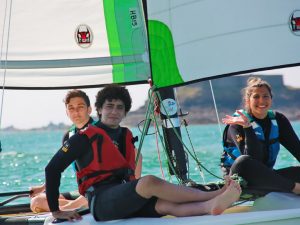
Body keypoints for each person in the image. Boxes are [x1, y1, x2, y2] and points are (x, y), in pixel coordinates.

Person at [45, 84, 241, 222]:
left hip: (124, 197)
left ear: (125, 112)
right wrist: (56, 210)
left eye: (119, 108)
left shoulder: (125, 136)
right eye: (109, 106)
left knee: (165, 205)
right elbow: (52, 168)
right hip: (101, 202)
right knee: (148, 183)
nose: (114, 111)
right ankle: (216, 193)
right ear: (98, 109)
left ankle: (211, 206)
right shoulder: (83, 137)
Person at [221, 77, 300, 194]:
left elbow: (297, 149)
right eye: (256, 97)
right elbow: (251, 161)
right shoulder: (236, 124)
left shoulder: (279, 120)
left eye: (265, 96)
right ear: (248, 100)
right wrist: (247, 127)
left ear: (271, 99)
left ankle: (281, 186)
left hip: (267, 178)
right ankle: (294, 188)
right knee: (244, 161)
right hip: (241, 181)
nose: (261, 101)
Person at [30, 89, 94, 212]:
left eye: (80, 107)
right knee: (36, 201)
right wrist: (44, 187)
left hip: (100, 191)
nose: (76, 112)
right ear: (66, 112)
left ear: (89, 109)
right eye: (71, 108)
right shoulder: (68, 137)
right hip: (83, 192)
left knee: (60, 208)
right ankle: (77, 206)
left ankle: (75, 207)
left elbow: (133, 154)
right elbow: (56, 166)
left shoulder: (100, 131)